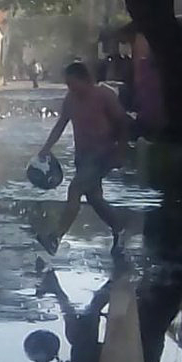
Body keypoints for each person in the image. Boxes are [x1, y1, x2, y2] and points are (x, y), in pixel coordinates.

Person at [36, 61, 127, 256]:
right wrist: (45, 149)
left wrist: (121, 152)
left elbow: (122, 123)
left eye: (72, 83)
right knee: (94, 199)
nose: (70, 88)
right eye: (68, 85)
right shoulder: (71, 100)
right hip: (83, 157)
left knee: (75, 189)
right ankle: (119, 228)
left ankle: (55, 237)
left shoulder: (104, 95)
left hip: (103, 155)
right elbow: (60, 125)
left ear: (85, 79)